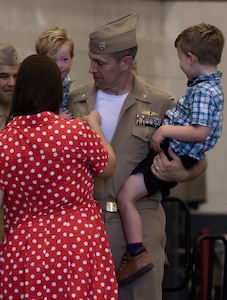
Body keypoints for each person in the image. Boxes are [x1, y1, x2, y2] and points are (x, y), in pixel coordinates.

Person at [68, 14, 207, 300]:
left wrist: (182, 173)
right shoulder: (76, 102)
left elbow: (199, 158)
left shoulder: (161, 104)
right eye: (91, 59)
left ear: (125, 63)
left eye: (100, 62)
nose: (91, 68)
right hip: (85, 226)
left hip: (139, 229)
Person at [0, 54, 118, 299]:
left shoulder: (4, 142)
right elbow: (107, 167)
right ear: (56, 91)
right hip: (79, 243)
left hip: (26, 247)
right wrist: (94, 123)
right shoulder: (76, 132)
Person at [116, 21, 225, 283]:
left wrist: (164, 132)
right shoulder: (209, 87)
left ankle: (136, 253)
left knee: (125, 196)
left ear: (191, 58)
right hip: (178, 153)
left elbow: (200, 132)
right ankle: (160, 248)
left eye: (179, 58)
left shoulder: (199, 92)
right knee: (156, 200)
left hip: (172, 153)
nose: (178, 64)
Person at [0, 43, 20, 242]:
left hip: (21, 226)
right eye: (3, 76)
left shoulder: (29, 114)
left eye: (15, 76)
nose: (11, 83)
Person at [35, 27, 74, 120]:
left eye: (65, 59)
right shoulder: (38, 86)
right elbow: (35, 117)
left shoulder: (66, 81)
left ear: (71, 59)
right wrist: (56, 119)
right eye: (52, 60)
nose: (59, 66)